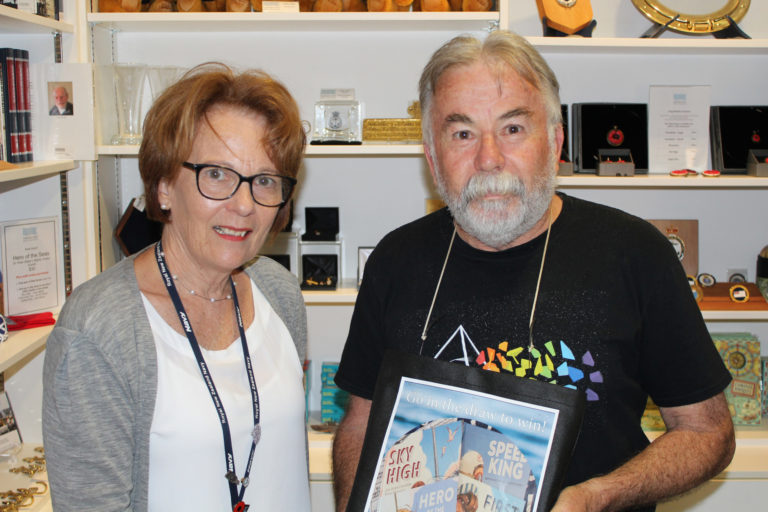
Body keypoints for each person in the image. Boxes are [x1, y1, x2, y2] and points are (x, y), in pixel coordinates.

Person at [332, 31, 735, 512]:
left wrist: (598, 496)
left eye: (513, 129)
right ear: (432, 156)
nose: (488, 159)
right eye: (462, 134)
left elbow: (707, 432)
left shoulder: (635, 254)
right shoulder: (394, 261)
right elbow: (360, 423)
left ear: (556, 140)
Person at [43, 62, 311, 511]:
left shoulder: (278, 292)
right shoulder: (98, 330)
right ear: (165, 185)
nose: (243, 205)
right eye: (217, 175)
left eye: (264, 181)